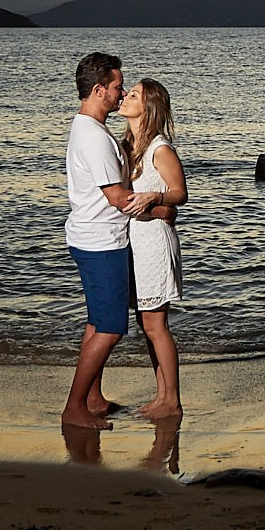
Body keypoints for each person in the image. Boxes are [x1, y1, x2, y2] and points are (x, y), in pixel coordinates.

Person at [61, 51, 137, 431]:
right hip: (101, 241)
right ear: (98, 90)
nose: (121, 95)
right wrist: (162, 207)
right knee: (110, 328)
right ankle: (74, 407)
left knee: (96, 323)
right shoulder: (93, 138)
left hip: (92, 236)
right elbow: (119, 199)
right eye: (117, 88)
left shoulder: (89, 129)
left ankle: (92, 398)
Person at [118, 76, 189, 419]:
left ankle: (171, 401)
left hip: (156, 244)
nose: (125, 97)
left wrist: (156, 198)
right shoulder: (130, 145)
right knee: (146, 324)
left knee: (156, 325)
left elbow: (180, 193)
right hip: (136, 242)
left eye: (133, 95)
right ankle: (160, 396)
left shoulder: (160, 148)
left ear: (146, 109)